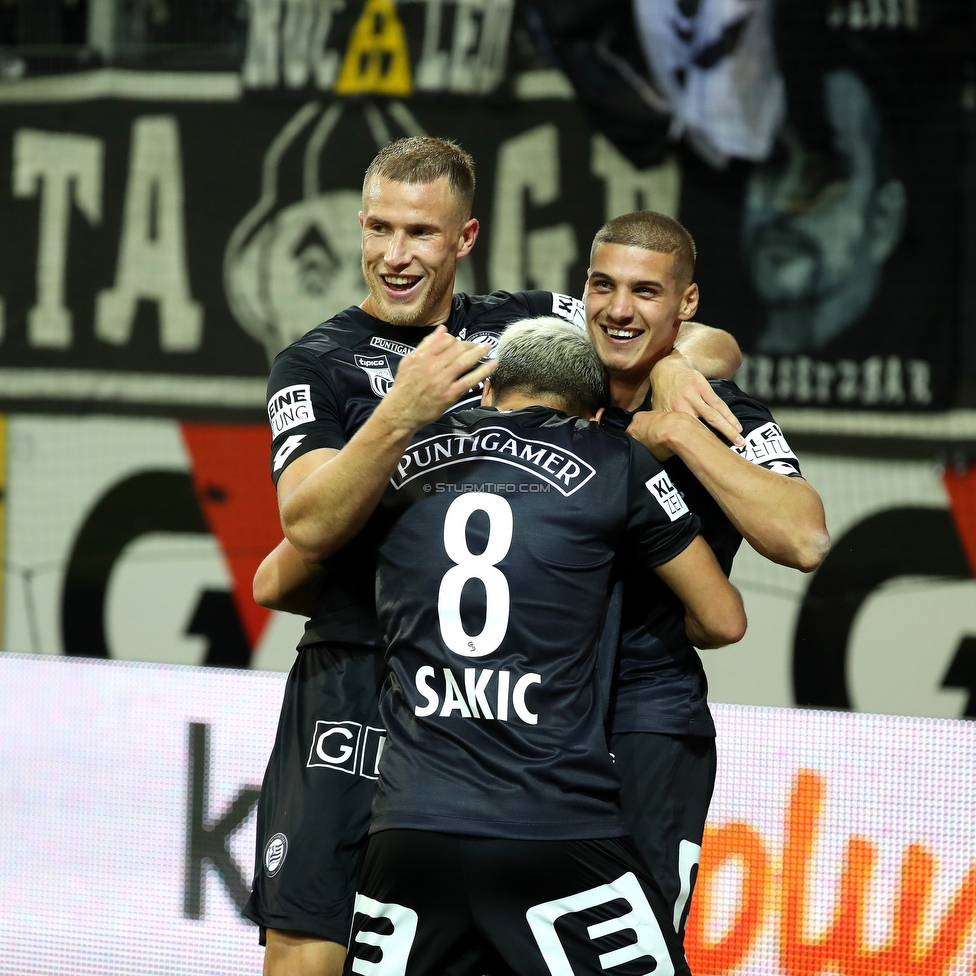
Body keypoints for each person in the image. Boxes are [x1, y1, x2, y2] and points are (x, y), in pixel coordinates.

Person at [246, 136, 743, 976]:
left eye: (421, 234)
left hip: (487, 702)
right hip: (357, 673)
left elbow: (678, 333)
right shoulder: (315, 363)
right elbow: (309, 524)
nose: (394, 256)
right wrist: (399, 411)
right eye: (378, 229)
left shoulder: (514, 327)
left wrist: (674, 375)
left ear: (464, 240)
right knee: (314, 943)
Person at [581, 209, 830, 942]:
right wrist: (646, 413)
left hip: (647, 716)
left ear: (685, 302)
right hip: (533, 715)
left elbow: (805, 537)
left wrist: (685, 432)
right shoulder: (556, 384)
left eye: (646, 292)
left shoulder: (724, 413)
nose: (619, 309)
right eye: (603, 285)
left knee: (633, 948)